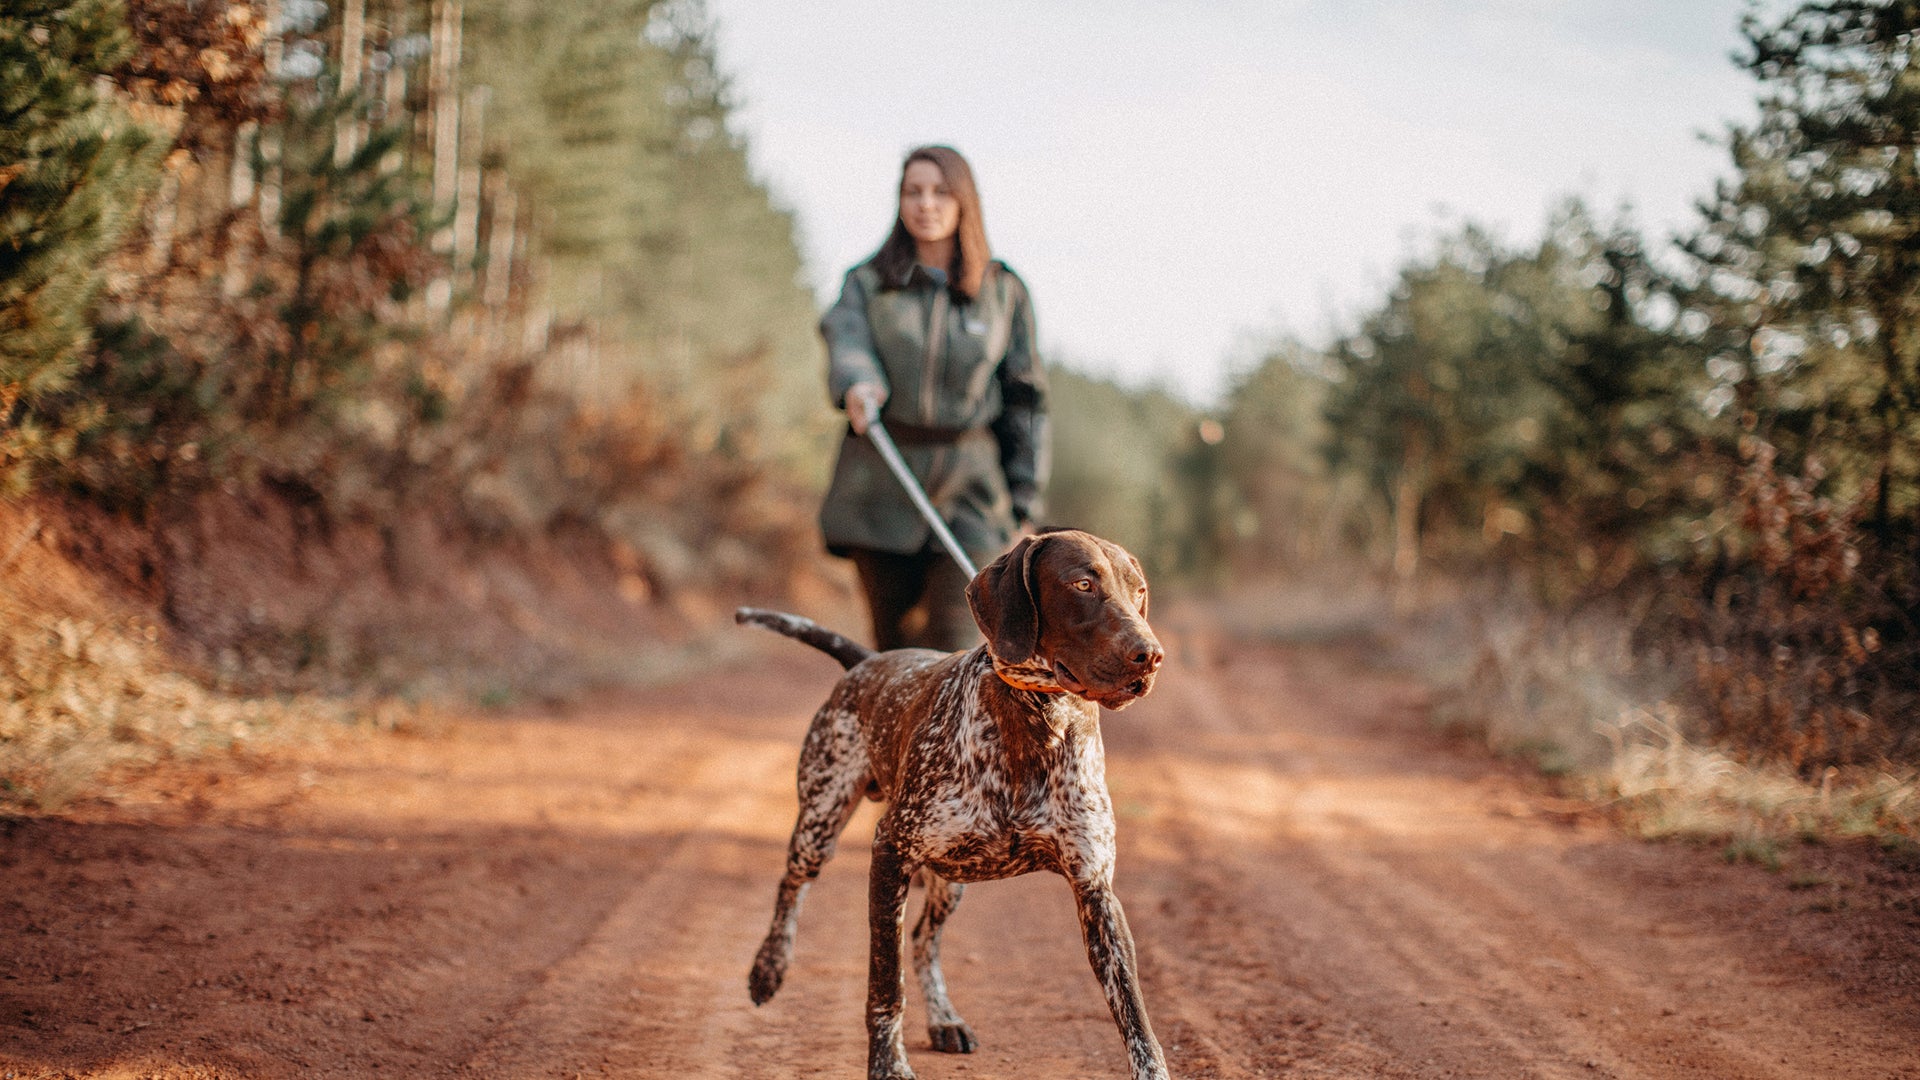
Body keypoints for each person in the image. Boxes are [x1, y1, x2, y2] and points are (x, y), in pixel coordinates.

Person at [818, 145, 1049, 652]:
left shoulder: (1003, 291)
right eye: (913, 192)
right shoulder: (868, 283)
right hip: (882, 484)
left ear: (965, 200)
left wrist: (1024, 504)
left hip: (974, 497)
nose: (926, 203)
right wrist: (858, 380)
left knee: (957, 652)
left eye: (941, 191)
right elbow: (845, 337)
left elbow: (1025, 402)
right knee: (894, 655)